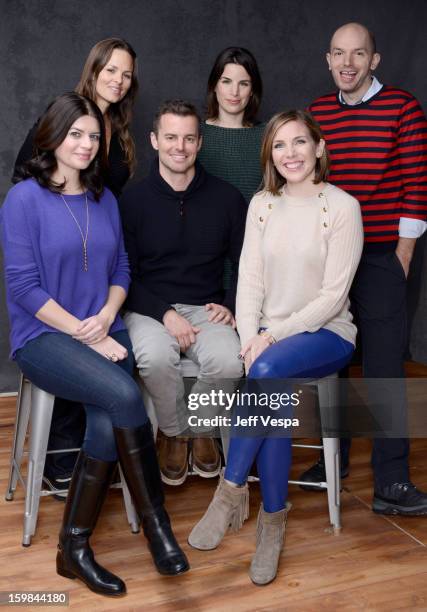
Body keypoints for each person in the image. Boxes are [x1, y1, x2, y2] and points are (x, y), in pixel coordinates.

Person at [1, 93, 189, 597]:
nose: (85, 144)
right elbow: (23, 289)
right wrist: (84, 332)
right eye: (75, 134)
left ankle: (73, 547)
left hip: (104, 327)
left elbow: (122, 268)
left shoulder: (105, 198)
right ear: (52, 137)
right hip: (44, 336)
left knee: (109, 414)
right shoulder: (23, 199)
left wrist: (106, 316)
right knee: (125, 397)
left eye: (93, 136)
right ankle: (158, 528)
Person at [188, 110, 363, 585]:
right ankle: (272, 522)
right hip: (267, 342)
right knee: (272, 385)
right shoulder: (263, 204)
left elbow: (332, 296)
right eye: (280, 145)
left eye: (300, 143)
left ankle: (229, 492)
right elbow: (248, 281)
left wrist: (269, 338)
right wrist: (249, 338)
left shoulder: (342, 206)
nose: (291, 154)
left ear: (319, 148)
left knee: (267, 372)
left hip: (326, 332)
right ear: (271, 155)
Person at [301, 22, 427, 515]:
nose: (347, 63)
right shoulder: (318, 112)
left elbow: (417, 186)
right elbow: (310, 184)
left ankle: (391, 481)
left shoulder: (402, 108)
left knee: (382, 365)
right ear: (328, 58)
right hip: (331, 255)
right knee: (333, 356)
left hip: (381, 255)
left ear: (374, 60)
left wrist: (401, 258)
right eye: (338, 53)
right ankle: (334, 460)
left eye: (358, 54)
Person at [12, 38, 139, 497]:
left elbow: (119, 253)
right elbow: (26, 180)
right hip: (53, 288)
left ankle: (94, 481)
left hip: (97, 278)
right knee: (112, 389)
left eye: (126, 74)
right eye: (111, 70)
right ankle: (67, 464)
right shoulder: (64, 116)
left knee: (112, 390)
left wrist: (104, 315)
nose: (118, 80)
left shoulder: (118, 137)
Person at [120, 99, 246, 486]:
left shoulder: (227, 198)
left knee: (229, 364)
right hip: (148, 306)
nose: (180, 146)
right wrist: (165, 314)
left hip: (207, 306)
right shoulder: (132, 201)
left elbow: (248, 266)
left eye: (189, 138)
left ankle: (200, 429)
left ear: (199, 142)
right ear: (154, 140)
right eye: (171, 137)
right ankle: (174, 434)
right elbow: (123, 275)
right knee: (155, 359)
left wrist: (229, 304)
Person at [198, 46, 264, 203]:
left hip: (256, 226)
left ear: (252, 90)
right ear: (214, 85)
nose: (234, 92)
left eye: (244, 84)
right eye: (226, 82)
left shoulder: (268, 135)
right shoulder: (195, 134)